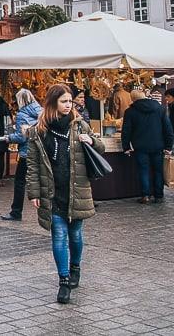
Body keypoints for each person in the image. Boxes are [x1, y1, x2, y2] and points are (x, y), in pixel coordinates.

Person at [25, 84, 106, 304]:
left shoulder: (79, 126)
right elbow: (31, 164)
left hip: (77, 189)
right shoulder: (39, 131)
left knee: (76, 234)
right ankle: (64, 280)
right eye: (64, 101)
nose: (69, 105)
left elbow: (101, 147)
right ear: (52, 103)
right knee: (58, 235)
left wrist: (92, 141)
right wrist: (33, 192)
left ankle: (75, 267)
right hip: (52, 191)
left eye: (70, 101)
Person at [121, 87, 174, 203]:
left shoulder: (130, 111)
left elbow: (126, 131)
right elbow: (167, 128)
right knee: (158, 171)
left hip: (140, 146)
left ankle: (145, 195)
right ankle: (159, 195)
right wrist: (169, 146)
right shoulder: (160, 109)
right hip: (158, 145)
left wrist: (126, 147)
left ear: (133, 98)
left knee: (143, 170)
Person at [0, 88, 42, 221]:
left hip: (26, 152)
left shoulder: (22, 115)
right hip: (40, 150)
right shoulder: (41, 111)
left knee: (19, 182)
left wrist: (8, 137)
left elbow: (21, 137)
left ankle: (16, 211)